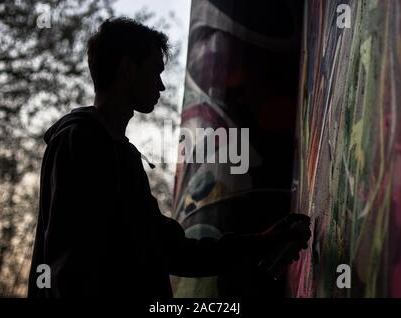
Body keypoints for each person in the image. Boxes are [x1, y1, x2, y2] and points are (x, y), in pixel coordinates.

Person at [27, 17, 311, 298]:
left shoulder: (117, 152)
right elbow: (70, 265)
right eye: (154, 71)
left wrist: (262, 242)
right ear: (127, 69)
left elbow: (171, 251)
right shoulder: (80, 142)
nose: (161, 86)